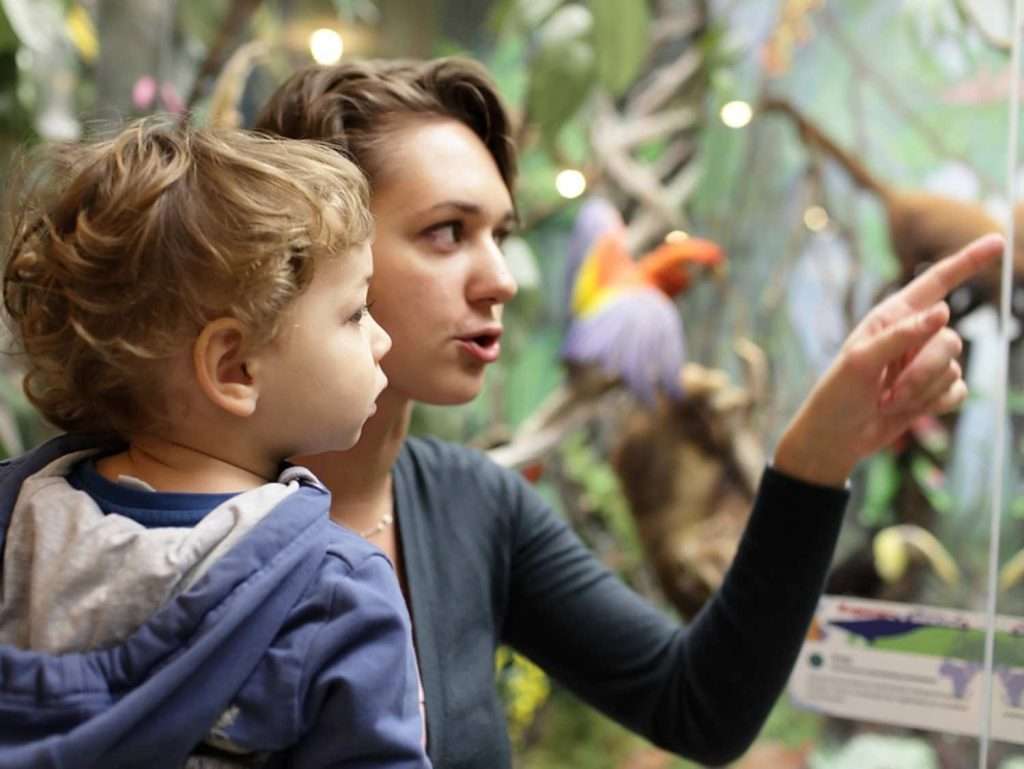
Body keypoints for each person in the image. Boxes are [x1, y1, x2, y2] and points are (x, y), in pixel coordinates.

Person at [254, 58, 1001, 768]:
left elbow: (700, 704)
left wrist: (818, 457)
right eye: (447, 232)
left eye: (500, 235)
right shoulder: (178, 511)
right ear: (317, 252)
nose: (501, 280)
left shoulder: (473, 504)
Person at [0, 121, 430, 769]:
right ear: (234, 368)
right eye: (354, 312)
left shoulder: (16, 523)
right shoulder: (335, 592)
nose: (382, 340)